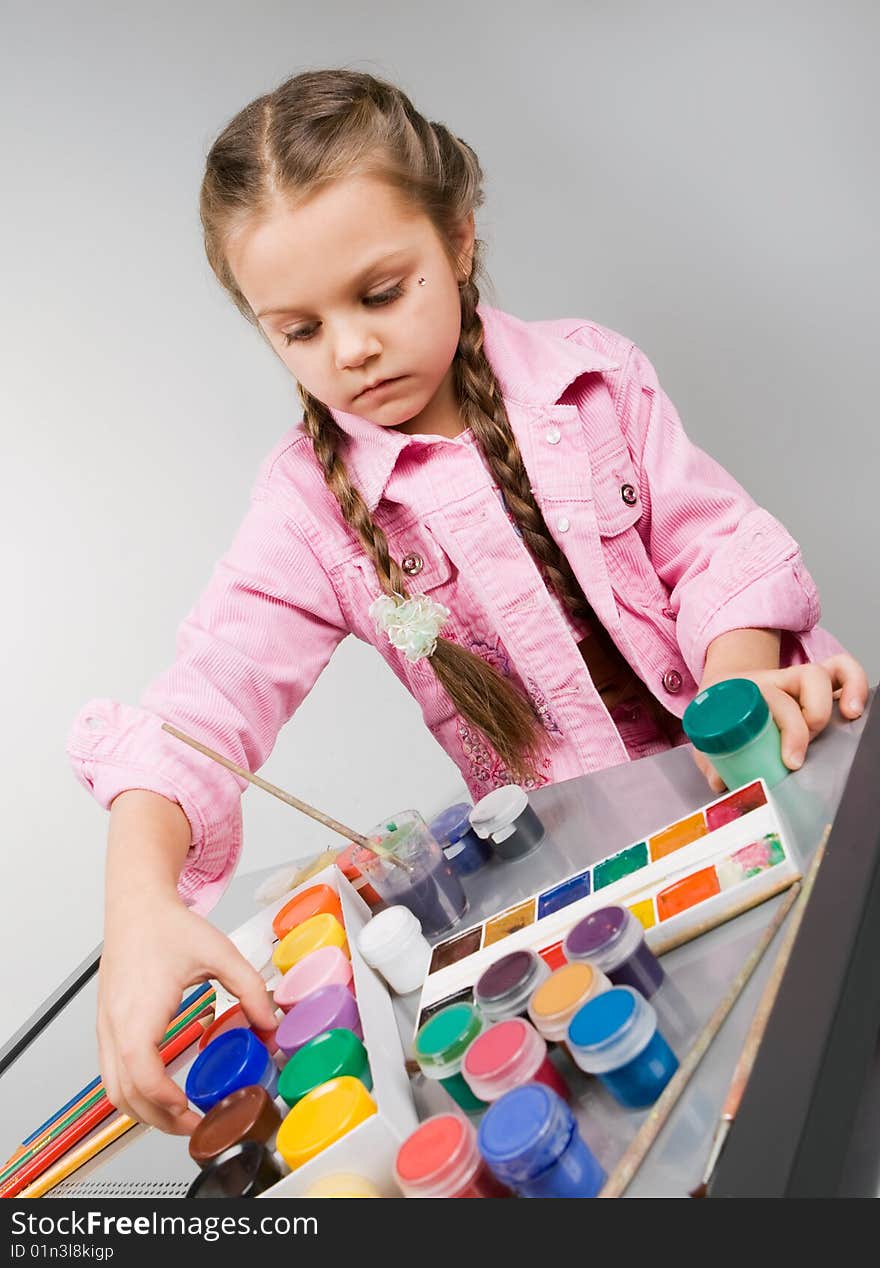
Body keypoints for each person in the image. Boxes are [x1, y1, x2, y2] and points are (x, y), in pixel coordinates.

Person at [66, 68, 868, 1134]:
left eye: (378, 293)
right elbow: (199, 708)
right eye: (296, 330)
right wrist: (138, 911)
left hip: (782, 778)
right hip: (608, 900)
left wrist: (736, 690)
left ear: (457, 236)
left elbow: (718, 548)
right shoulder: (309, 516)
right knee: (711, 1117)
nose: (347, 349)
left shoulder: (592, 377)